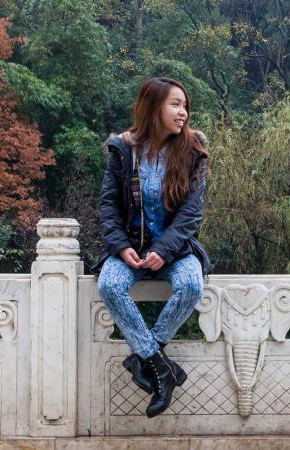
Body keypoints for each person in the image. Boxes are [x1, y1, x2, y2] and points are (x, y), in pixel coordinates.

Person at [93, 77, 210, 418]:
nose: (183, 112)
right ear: (152, 107)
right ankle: (162, 368)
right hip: (128, 247)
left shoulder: (193, 152)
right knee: (110, 284)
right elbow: (108, 205)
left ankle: (145, 359)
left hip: (177, 250)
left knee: (191, 284)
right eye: (175, 104)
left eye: (185, 105)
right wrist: (119, 246)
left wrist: (164, 250)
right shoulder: (122, 150)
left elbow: (192, 213)